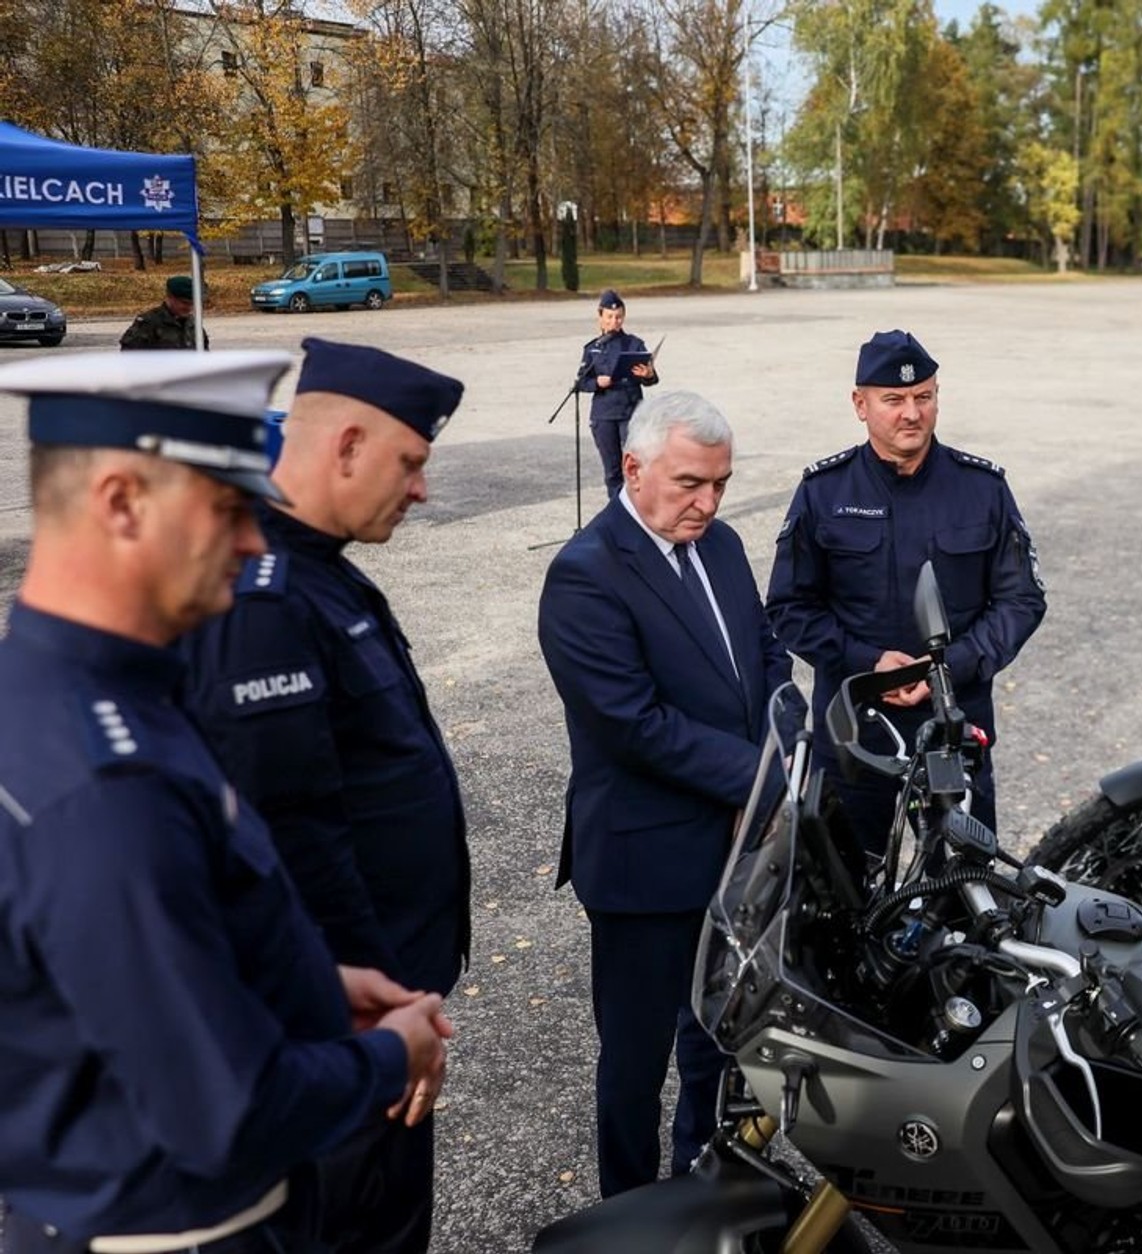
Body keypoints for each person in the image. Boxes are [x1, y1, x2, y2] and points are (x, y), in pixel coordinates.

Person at [0, 349, 448, 1254]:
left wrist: (313, 986)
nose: (255, 542)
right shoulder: (105, 786)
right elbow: (225, 1114)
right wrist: (392, 1055)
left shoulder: (69, 693)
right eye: (229, 510)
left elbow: (108, 972)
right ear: (121, 501)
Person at [177, 338, 470, 1254]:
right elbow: (291, 840)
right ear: (345, 445)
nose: (419, 489)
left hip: (378, 1003)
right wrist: (373, 1023)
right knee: (355, 1227)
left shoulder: (321, 572)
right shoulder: (267, 600)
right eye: (409, 462)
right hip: (343, 1020)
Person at [537, 390, 792, 1197]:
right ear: (633, 466)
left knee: (720, 1042)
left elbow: (765, 654)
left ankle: (703, 1187)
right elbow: (633, 725)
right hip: (646, 864)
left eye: (720, 483)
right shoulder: (585, 575)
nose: (708, 502)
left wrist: (788, 729)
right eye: (690, 483)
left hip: (734, 851)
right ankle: (632, 1213)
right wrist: (761, 776)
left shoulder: (719, 545)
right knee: (636, 1064)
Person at [766, 329, 1047, 850]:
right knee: (848, 896)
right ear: (860, 404)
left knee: (964, 892)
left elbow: (1020, 599)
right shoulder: (824, 492)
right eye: (893, 400)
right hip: (854, 733)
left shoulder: (982, 489)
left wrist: (950, 666)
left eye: (923, 397)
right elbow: (789, 606)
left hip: (954, 729)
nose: (911, 413)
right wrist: (866, 660)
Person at [576, 288, 658, 499]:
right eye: (610, 317)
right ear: (600, 317)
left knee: (635, 465)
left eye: (619, 317)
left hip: (630, 412)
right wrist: (597, 382)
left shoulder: (634, 344)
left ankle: (639, 510)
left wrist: (648, 374)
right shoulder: (592, 348)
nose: (615, 321)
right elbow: (581, 382)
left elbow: (651, 380)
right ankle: (617, 511)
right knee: (612, 470)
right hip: (604, 414)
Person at [120, 273, 207, 350]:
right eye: (185, 303)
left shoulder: (193, 325)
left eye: (193, 303)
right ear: (170, 298)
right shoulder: (149, 323)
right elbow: (129, 357)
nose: (189, 308)